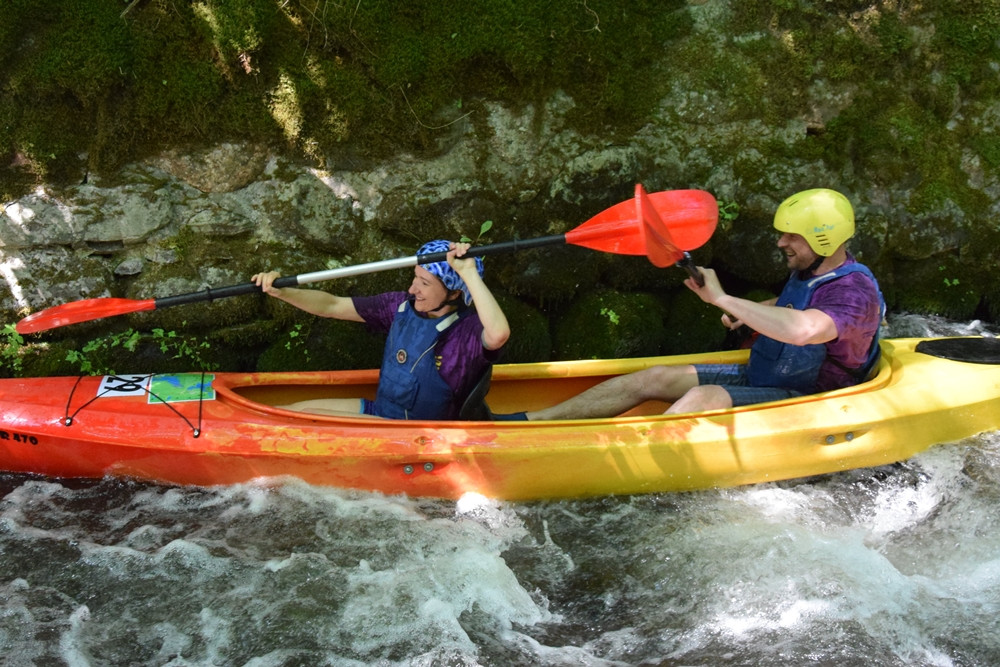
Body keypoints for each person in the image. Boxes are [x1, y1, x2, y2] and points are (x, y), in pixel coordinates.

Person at [507, 188, 885, 420]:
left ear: (823, 240)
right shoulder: (811, 270)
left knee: (703, 398)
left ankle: (630, 455)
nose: (781, 242)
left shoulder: (854, 293)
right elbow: (794, 305)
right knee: (654, 377)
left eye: (792, 236)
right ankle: (533, 419)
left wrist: (724, 298)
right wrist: (742, 314)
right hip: (766, 374)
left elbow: (806, 329)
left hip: (810, 398)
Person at [252, 240, 510, 419]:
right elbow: (331, 305)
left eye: (424, 283)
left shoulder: (467, 332)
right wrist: (282, 292)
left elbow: (498, 334)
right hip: (382, 413)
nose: (413, 290)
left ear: (454, 292)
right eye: (414, 278)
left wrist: (468, 273)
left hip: (417, 435)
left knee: (305, 421)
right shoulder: (398, 306)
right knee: (293, 411)